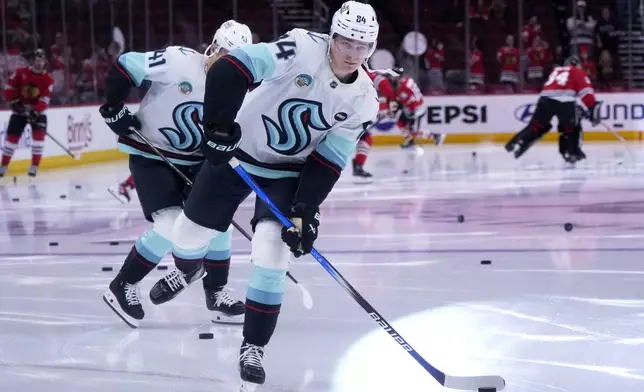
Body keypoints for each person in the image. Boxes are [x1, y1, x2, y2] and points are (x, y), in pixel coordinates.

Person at [148, 1, 379, 387]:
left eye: (362, 46)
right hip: (238, 156)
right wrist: (218, 127)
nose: (353, 53)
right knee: (188, 238)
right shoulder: (302, 47)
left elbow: (329, 160)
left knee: (273, 251)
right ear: (332, 36)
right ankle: (188, 268)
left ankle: (253, 346)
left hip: (287, 173)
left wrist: (307, 211)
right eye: (346, 42)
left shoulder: (364, 100)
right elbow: (232, 66)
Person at [100, 20, 252, 328]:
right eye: (225, 56)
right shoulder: (179, 61)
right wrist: (113, 107)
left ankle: (215, 292)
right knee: (170, 225)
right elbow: (127, 64)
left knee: (218, 222)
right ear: (212, 48)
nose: (228, 67)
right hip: (151, 153)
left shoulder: (240, 90)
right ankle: (123, 285)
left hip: (195, 162)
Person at [505, 55, 600, 163]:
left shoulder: (556, 70)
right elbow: (586, 92)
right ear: (577, 64)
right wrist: (592, 106)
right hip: (565, 101)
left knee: (536, 126)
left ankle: (517, 143)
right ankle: (570, 152)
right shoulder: (577, 71)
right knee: (569, 128)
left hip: (545, 99)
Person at [0, 49, 53, 178]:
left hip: (37, 113)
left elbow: (45, 99)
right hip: (20, 111)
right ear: (32, 60)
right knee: (11, 141)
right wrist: (14, 101)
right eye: (36, 59)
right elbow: (8, 89)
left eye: (41, 60)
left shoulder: (48, 80)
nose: (39, 62)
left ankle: (34, 165)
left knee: (38, 140)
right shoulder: (20, 73)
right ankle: (4, 166)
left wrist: (36, 111)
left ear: (45, 61)